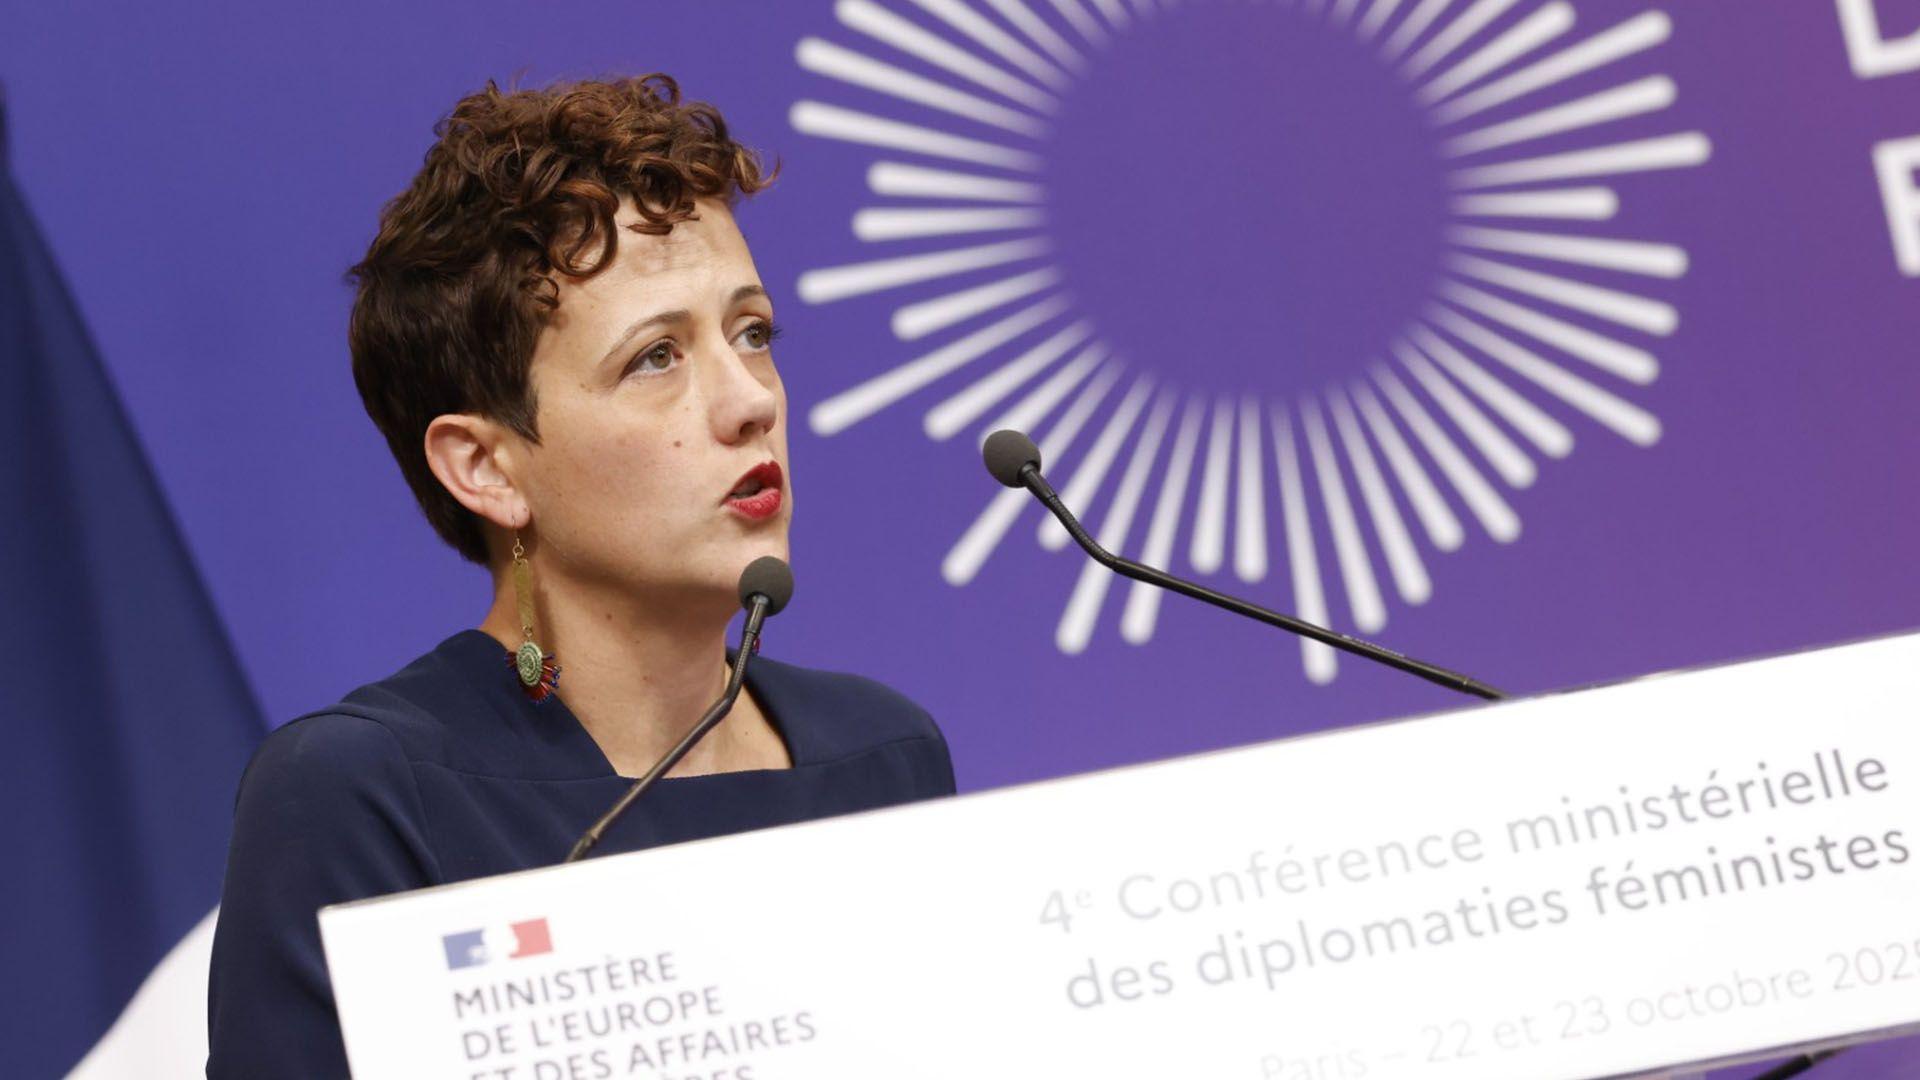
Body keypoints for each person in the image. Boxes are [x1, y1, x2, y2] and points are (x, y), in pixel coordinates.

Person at [204, 73, 956, 1077]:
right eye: (656, 358)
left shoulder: (884, 756)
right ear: (487, 467)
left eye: (752, 333)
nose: (748, 402)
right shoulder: (362, 799)